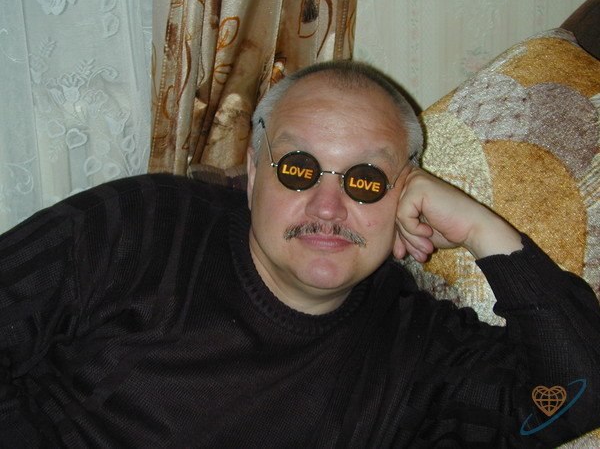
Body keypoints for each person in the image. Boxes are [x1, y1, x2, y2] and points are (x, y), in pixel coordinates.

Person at [0, 60, 598, 448]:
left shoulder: (418, 348)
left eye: (365, 180)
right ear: (254, 173)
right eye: (298, 169)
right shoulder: (142, 225)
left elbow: (572, 395)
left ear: (406, 193)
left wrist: (485, 231)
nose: (328, 207)